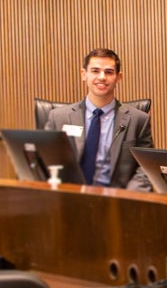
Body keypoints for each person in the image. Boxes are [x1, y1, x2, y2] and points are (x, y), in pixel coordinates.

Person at [43, 48, 154, 190]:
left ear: (118, 77)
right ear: (84, 74)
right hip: (70, 197)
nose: (102, 77)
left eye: (109, 72)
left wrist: (128, 196)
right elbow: (45, 160)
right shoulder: (59, 117)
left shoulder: (138, 120)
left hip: (117, 200)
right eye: (95, 71)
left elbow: (145, 167)